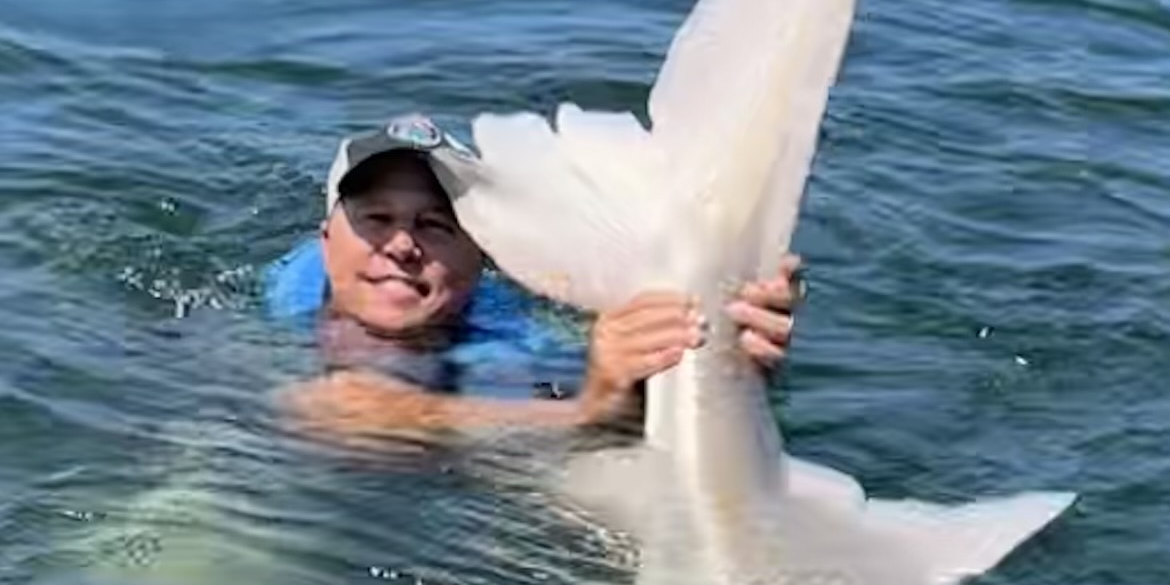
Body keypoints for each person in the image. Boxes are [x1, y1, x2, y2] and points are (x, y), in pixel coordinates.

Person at [271, 119, 799, 446]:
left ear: (484, 255)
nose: (403, 245)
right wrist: (587, 411)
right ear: (325, 240)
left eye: (435, 225)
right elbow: (332, 408)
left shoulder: (509, 344)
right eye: (376, 219)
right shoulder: (279, 294)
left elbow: (596, 400)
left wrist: (708, 349)